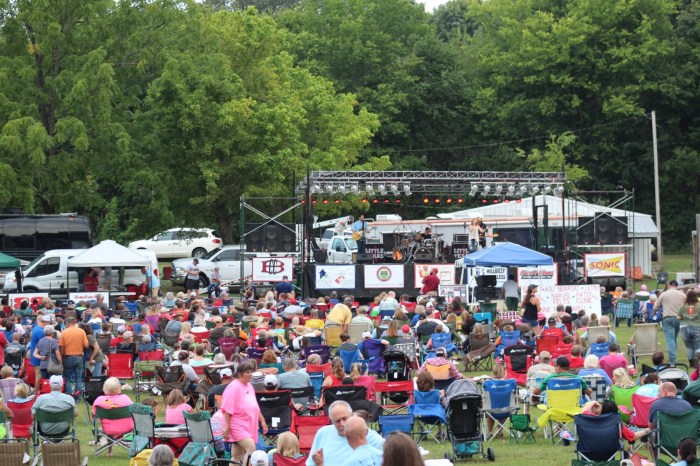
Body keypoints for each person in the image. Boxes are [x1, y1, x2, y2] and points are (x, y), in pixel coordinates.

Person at [306, 400, 383, 466]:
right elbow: (310, 463)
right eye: (337, 421)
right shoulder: (323, 433)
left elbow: (391, 455)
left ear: (352, 415)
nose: (342, 424)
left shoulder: (365, 433)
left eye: (344, 418)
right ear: (331, 421)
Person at [221, 361, 268, 465]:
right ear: (239, 374)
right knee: (251, 448)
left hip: (248, 424)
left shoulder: (250, 386)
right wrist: (227, 426)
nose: (250, 374)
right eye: (247, 372)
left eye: (251, 371)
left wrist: (263, 421)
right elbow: (226, 408)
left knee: (236, 455)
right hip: (237, 425)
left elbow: (255, 406)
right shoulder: (233, 387)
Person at [91, 377, 134, 456]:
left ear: (105, 388)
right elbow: (134, 412)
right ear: (119, 388)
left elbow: (93, 415)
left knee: (109, 425)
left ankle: (109, 451)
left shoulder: (99, 400)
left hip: (108, 429)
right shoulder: (126, 399)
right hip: (128, 429)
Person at [653, 280, 687, 364]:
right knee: (674, 338)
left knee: (670, 339)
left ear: (669, 285)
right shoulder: (683, 295)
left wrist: (654, 313)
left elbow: (655, 307)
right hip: (679, 319)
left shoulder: (664, 294)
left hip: (668, 319)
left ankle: (673, 361)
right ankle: (673, 356)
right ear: (677, 286)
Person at [680, 290, 700, 367]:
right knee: (698, 345)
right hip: (696, 327)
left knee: (689, 347)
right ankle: (696, 364)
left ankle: (691, 364)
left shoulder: (683, 306)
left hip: (684, 327)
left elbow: (678, 316)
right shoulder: (698, 306)